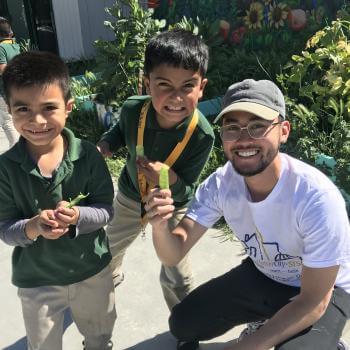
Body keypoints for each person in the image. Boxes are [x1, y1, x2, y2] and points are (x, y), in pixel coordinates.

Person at [146, 79, 350, 350]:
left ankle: (324, 342)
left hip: (325, 289)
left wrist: (246, 347)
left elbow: (314, 301)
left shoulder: (316, 197)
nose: (243, 139)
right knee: (183, 323)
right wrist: (159, 226)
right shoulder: (221, 184)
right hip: (266, 274)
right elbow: (173, 253)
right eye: (232, 128)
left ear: (284, 131)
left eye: (257, 126)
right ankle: (271, 322)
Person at [97, 29, 214, 349]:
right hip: (129, 197)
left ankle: (188, 326)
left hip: (171, 207)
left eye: (187, 87)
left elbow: (187, 186)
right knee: (106, 251)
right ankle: (114, 271)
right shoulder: (134, 108)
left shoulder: (202, 135)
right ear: (145, 83)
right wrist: (106, 145)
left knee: (176, 274)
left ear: (201, 87)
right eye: (164, 86)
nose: (176, 98)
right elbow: (118, 131)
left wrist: (169, 177)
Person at [0, 51, 116, 350]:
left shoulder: (88, 155)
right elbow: (6, 229)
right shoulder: (5, 169)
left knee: (99, 337)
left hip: (92, 271)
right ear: (9, 110)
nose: (36, 120)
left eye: (48, 107)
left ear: (68, 108)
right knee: (43, 345)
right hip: (37, 281)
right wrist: (33, 227)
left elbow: (105, 210)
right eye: (23, 108)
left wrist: (78, 216)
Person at [0, 17, 20, 148]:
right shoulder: (14, 45)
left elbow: (2, 69)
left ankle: (16, 151)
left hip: (4, 91)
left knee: (7, 122)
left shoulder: (1, 47)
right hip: (16, 88)